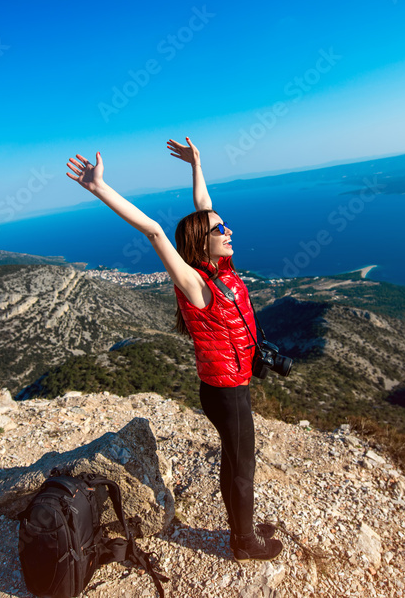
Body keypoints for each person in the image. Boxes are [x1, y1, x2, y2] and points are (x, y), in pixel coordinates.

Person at [65, 137, 283, 562]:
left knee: (234, 459)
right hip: (225, 391)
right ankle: (244, 543)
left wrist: (196, 165)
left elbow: (203, 208)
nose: (228, 230)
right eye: (221, 230)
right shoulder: (196, 284)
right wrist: (99, 188)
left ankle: (242, 526)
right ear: (203, 243)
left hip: (229, 385)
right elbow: (155, 231)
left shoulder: (218, 269)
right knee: (243, 467)